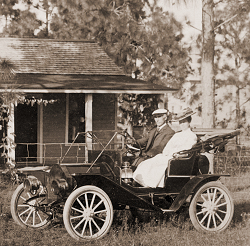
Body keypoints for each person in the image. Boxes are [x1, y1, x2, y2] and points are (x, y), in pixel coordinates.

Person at [133, 108, 197, 188]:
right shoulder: (177, 135)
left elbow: (187, 149)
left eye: (184, 122)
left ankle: (152, 184)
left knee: (157, 163)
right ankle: (145, 184)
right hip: (169, 155)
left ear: (189, 122)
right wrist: (166, 154)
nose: (182, 124)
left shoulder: (191, 136)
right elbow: (168, 147)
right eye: (180, 122)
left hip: (178, 158)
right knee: (148, 163)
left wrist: (175, 154)